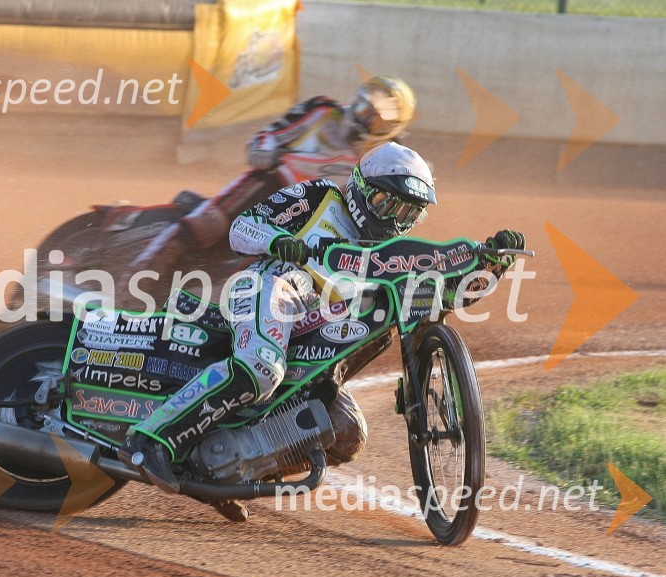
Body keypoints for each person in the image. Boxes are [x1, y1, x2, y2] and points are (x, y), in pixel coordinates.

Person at [120, 141, 526, 521]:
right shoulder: (319, 197)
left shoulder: (395, 259)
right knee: (262, 367)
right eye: (388, 204)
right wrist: (281, 242)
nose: (395, 220)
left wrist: (489, 268)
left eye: (409, 213)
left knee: (347, 433)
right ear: (363, 190)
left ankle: (225, 476)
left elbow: (443, 297)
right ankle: (150, 441)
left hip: (318, 345)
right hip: (274, 285)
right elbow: (242, 227)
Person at [125, 76, 418, 281]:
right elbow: (269, 135)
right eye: (364, 107)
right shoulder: (323, 111)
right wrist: (264, 149)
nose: (363, 117)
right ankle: (134, 278)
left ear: (390, 129)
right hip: (271, 184)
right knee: (207, 224)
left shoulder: (384, 159)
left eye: (374, 118)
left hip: (313, 215)